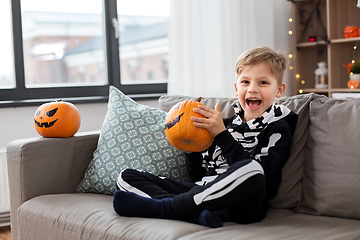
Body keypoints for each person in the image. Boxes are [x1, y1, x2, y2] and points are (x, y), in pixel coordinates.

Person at [113, 46, 298, 228]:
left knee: (252, 169)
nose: (252, 89)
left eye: (263, 83)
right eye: (245, 82)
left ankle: (165, 207)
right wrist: (191, 148)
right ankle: (194, 214)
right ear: (236, 87)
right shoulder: (222, 124)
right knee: (125, 176)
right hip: (203, 193)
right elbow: (199, 176)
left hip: (243, 203)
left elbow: (261, 173)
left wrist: (222, 136)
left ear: (279, 90)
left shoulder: (279, 127)